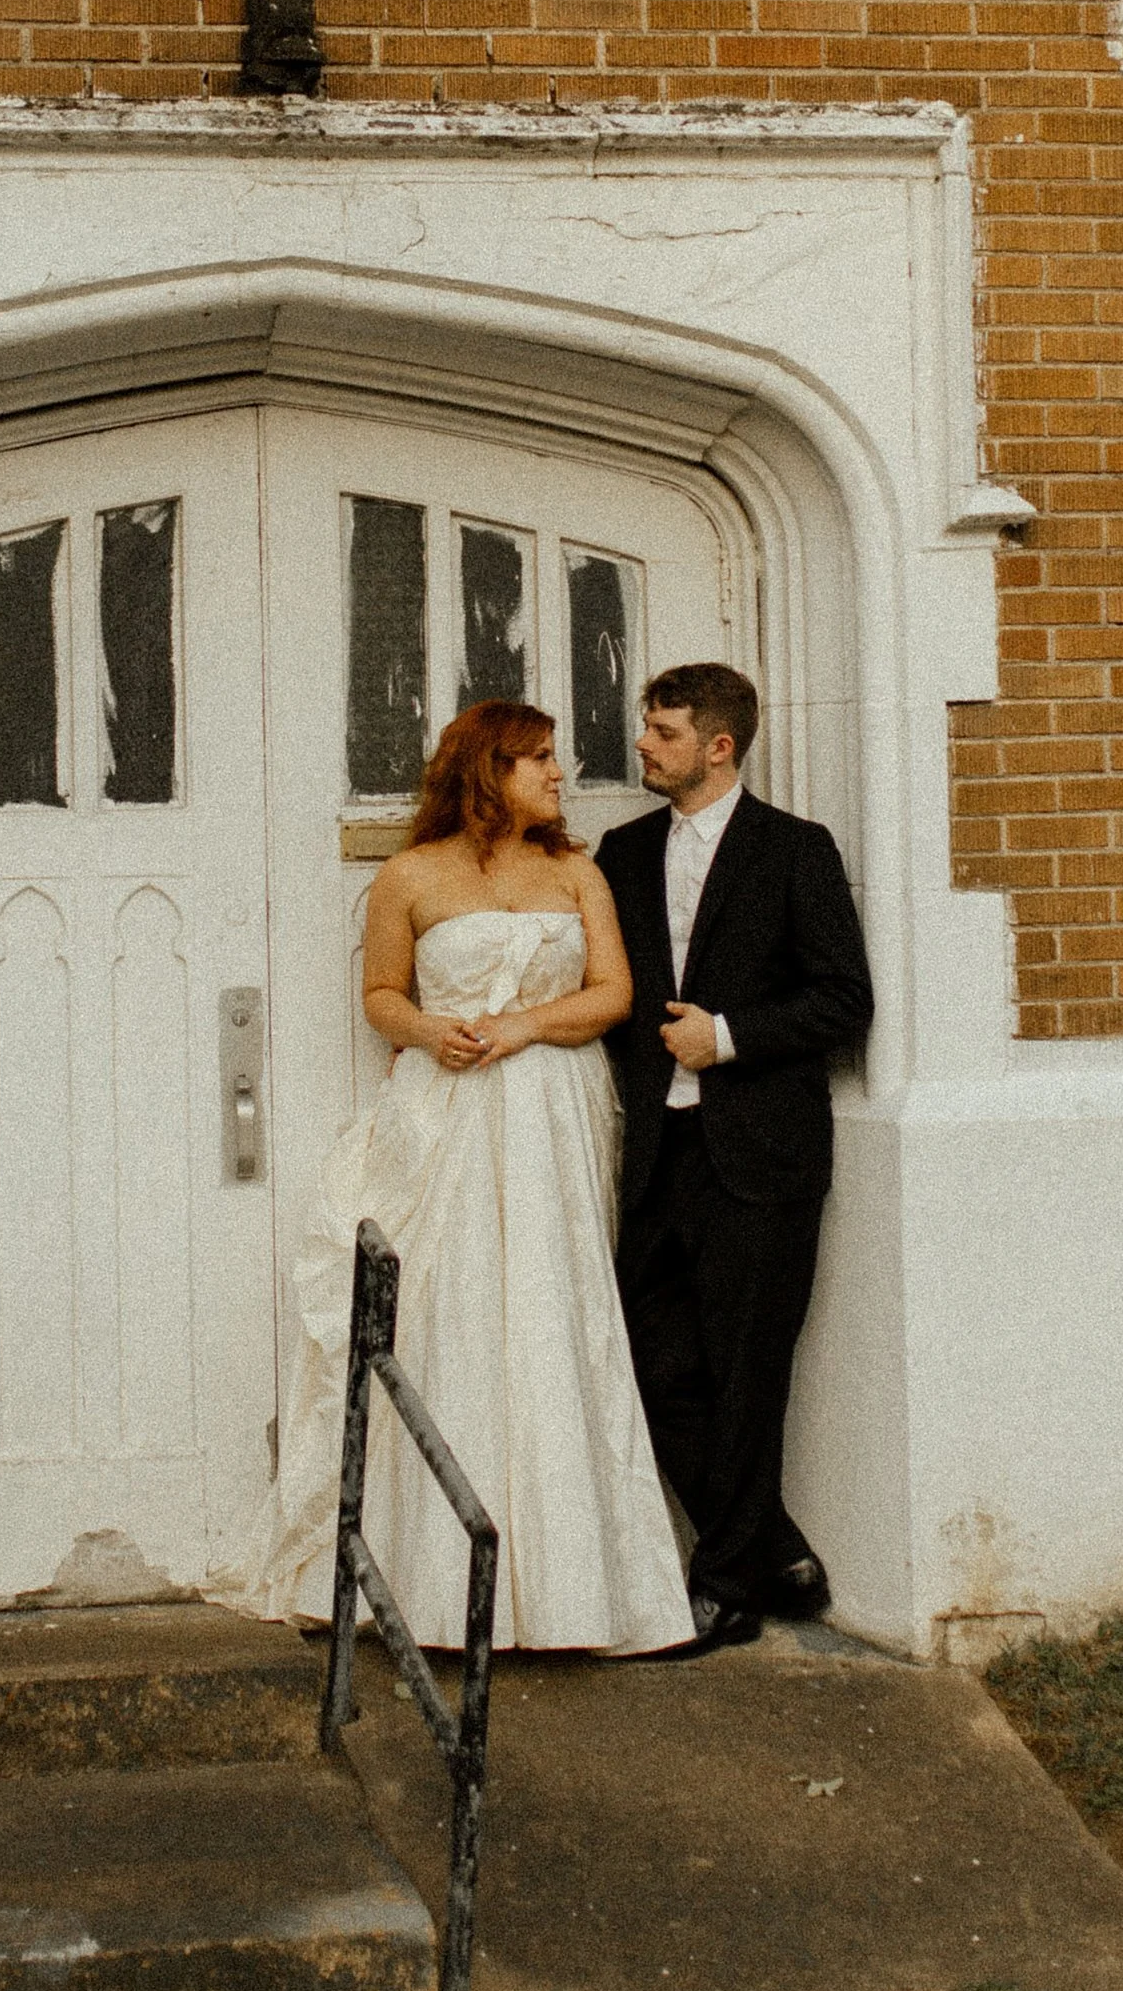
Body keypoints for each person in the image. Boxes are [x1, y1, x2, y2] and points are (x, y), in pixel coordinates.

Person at [235, 699, 690, 1654]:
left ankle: (572, 1593)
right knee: (445, 1311)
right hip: (445, 1111)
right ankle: (426, 1585)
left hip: (552, 1107)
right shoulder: (409, 876)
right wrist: (429, 1031)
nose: (559, 775)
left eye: (555, 760)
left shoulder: (576, 871)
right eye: (538, 761)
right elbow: (380, 996)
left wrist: (524, 1028)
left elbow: (614, 994)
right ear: (488, 772)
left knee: (554, 1314)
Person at [597, 662, 875, 1657]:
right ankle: (767, 1547)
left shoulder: (795, 852)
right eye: (647, 729)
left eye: (663, 733)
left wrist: (730, 1036)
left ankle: (723, 1588)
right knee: (651, 1361)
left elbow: (845, 1001)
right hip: (658, 1161)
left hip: (760, 1159)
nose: (643, 747)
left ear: (719, 745)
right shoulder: (621, 853)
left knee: (749, 1373)